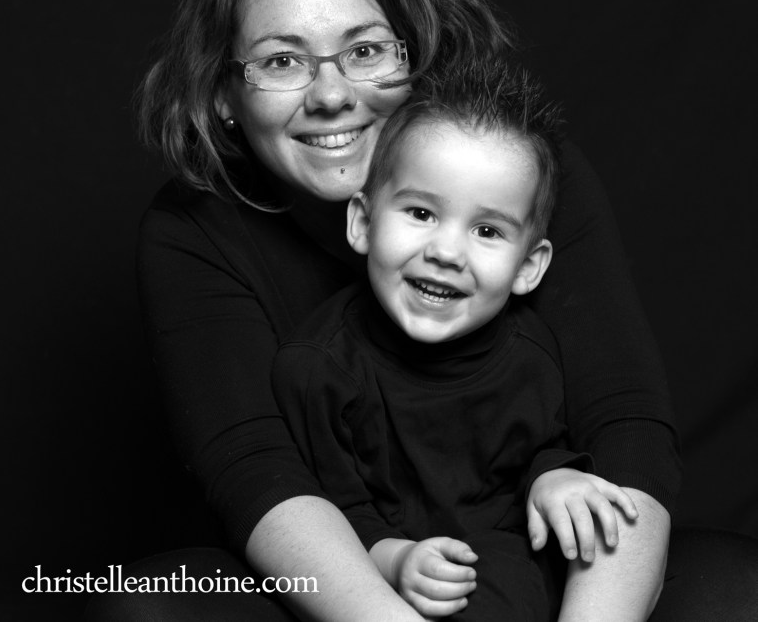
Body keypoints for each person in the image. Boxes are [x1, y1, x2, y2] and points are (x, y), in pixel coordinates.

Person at [85, 0, 758, 622]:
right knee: (150, 603)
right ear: (223, 94)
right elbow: (257, 474)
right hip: (338, 586)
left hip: (526, 567)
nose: (332, 95)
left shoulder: (523, 173)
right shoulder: (196, 229)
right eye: (282, 62)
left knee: (734, 586)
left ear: (414, 56)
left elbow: (625, 422)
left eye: (366, 50)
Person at [272, 72, 641, 621]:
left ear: (529, 267)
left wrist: (555, 477)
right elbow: (328, 510)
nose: (446, 251)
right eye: (421, 213)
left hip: (504, 574)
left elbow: (541, 443)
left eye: (487, 231)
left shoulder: (530, 353)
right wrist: (393, 560)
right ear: (363, 222)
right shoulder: (317, 367)